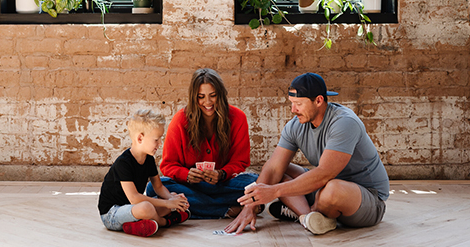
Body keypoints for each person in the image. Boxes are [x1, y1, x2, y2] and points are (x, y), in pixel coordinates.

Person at [224, 73, 389, 236]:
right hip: (324, 188)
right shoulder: (295, 125)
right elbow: (274, 168)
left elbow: (324, 174)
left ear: (318, 100)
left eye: (298, 104)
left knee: (332, 190)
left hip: (367, 199)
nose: (293, 110)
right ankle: (308, 218)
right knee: (281, 170)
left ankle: (303, 212)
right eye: (291, 103)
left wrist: (274, 192)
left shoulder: (344, 123)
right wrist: (249, 208)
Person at [146, 68, 259, 218]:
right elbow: (168, 165)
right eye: (201, 97)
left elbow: (241, 161)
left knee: (256, 183)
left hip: (223, 184)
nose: (207, 102)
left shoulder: (238, 117)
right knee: (153, 188)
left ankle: (192, 208)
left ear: (221, 95)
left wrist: (222, 173)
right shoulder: (180, 120)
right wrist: (187, 175)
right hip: (191, 186)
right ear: (194, 97)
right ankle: (228, 210)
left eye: (213, 96)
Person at [98, 109, 191, 237]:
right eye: (156, 139)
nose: (160, 143)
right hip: (112, 214)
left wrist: (172, 199)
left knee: (171, 195)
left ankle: (138, 225)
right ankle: (164, 222)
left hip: (133, 208)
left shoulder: (149, 159)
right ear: (140, 138)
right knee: (146, 207)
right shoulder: (123, 163)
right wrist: (167, 203)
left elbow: (158, 187)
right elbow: (135, 198)